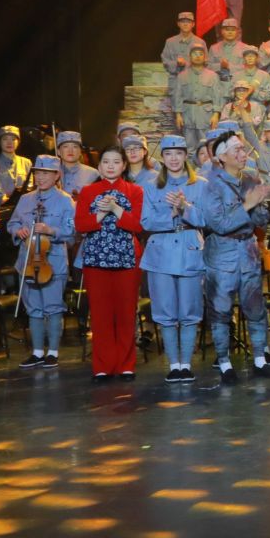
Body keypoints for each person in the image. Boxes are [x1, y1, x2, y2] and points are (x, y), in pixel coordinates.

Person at [138, 137, 211, 383]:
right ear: (162, 157)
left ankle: (186, 364)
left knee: (190, 310)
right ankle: (174, 365)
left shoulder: (200, 184)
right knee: (165, 311)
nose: (173, 158)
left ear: (185, 155)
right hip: (160, 252)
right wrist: (171, 214)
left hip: (190, 249)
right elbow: (145, 221)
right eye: (168, 154)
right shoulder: (151, 186)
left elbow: (205, 220)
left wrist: (185, 207)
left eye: (178, 153)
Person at [73, 147, 144, 382]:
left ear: (124, 165)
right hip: (96, 259)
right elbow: (81, 226)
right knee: (100, 313)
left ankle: (126, 365)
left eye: (116, 162)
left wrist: (115, 209)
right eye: (106, 162)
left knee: (126, 313)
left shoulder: (135, 190)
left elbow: (137, 225)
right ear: (99, 166)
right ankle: (102, 366)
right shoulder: (88, 191)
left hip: (126, 258)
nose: (111, 166)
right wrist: (101, 214)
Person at [7, 154, 75, 369]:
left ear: (57, 175)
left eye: (46, 173)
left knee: (53, 307)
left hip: (53, 261)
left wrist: (50, 230)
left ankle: (52, 352)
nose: (41, 177)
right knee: (33, 308)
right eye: (38, 173)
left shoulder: (65, 200)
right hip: (27, 261)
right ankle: (37, 352)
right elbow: (12, 223)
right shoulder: (26, 199)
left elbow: (72, 231)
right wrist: (18, 231)